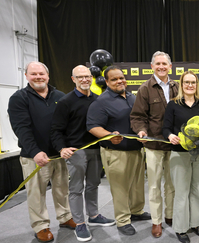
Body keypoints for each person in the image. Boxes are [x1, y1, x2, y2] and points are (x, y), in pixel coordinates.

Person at [8, 61, 76, 242]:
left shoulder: (60, 96)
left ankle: (65, 217)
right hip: (34, 157)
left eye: (41, 74)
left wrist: (65, 146)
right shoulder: (19, 98)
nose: (38, 77)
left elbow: (66, 125)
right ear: (26, 76)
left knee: (62, 189)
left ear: (48, 76)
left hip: (58, 155)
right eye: (33, 74)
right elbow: (21, 128)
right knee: (36, 194)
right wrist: (35, 152)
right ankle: (41, 226)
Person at [50, 65, 116, 242]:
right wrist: (61, 148)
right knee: (76, 188)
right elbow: (56, 129)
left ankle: (93, 216)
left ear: (92, 77)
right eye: (80, 77)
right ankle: (80, 223)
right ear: (74, 79)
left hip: (96, 149)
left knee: (93, 184)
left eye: (87, 76)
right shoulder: (66, 102)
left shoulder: (98, 99)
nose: (85, 80)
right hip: (76, 151)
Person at [87, 66, 149, 236]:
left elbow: (140, 120)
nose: (119, 81)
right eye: (114, 79)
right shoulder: (101, 101)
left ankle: (136, 211)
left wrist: (143, 131)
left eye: (121, 78)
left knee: (137, 185)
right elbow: (92, 126)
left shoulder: (132, 97)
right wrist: (108, 136)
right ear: (106, 82)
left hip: (136, 150)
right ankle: (123, 220)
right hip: (116, 152)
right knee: (120, 188)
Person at [130, 51, 176, 238]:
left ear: (170, 66)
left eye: (164, 64)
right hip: (154, 146)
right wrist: (141, 131)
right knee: (155, 185)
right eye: (157, 64)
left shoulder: (177, 87)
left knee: (172, 185)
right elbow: (137, 116)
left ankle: (171, 216)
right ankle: (156, 221)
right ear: (152, 66)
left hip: (174, 145)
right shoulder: (144, 89)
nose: (161, 67)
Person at [162, 71, 199, 243]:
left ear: (197, 85)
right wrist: (170, 136)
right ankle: (181, 228)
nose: (190, 85)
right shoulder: (173, 105)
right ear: (181, 85)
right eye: (186, 82)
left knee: (198, 190)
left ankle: (195, 224)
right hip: (179, 154)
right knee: (182, 192)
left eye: (193, 82)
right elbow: (165, 128)